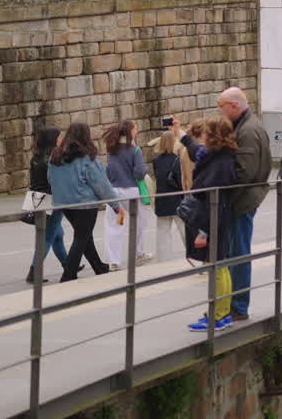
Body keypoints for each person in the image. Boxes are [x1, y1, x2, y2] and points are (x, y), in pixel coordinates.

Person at [171, 116, 238, 330]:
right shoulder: (221, 156)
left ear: (214, 136)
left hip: (213, 221)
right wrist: (179, 132)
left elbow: (211, 201)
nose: (203, 137)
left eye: (207, 133)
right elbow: (195, 149)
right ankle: (224, 313)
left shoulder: (218, 164)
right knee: (222, 266)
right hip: (221, 218)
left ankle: (217, 316)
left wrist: (203, 232)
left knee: (215, 268)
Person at [217, 86, 271, 322]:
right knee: (236, 252)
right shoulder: (250, 125)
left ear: (234, 105)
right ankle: (234, 304)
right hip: (247, 197)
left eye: (222, 107)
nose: (220, 112)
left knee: (238, 253)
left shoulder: (247, 131)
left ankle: (238, 306)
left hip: (242, 200)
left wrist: (223, 190)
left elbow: (244, 172)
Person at [48, 123, 123, 282]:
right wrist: (116, 206)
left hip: (65, 204)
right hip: (85, 203)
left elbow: (50, 179)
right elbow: (101, 184)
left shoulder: (55, 156)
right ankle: (68, 274)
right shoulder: (87, 158)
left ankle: (99, 267)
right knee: (82, 237)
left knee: (84, 236)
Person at [102, 120, 151, 269]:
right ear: (130, 131)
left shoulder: (111, 150)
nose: (137, 131)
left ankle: (114, 261)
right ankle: (138, 253)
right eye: (135, 129)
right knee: (139, 222)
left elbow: (109, 172)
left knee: (114, 226)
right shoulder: (135, 150)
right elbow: (140, 172)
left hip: (114, 191)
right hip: (132, 191)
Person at [26, 127, 70, 284]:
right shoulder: (53, 157)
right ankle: (33, 272)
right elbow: (57, 181)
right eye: (59, 137)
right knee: (48, 237)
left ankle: (68, 265)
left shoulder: (36, 157)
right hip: (51, 201)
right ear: (53, 139)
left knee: (57, 235)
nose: (61, 140)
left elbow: (33, 180)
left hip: (37, 198)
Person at [150, 130, 188, 263]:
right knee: (184, 230)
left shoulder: (156, 160)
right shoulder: (177, 159)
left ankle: (163, 261)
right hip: (176, 199)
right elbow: (180, 180)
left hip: (162, 199)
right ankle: (193, 255)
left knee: (162, 232)